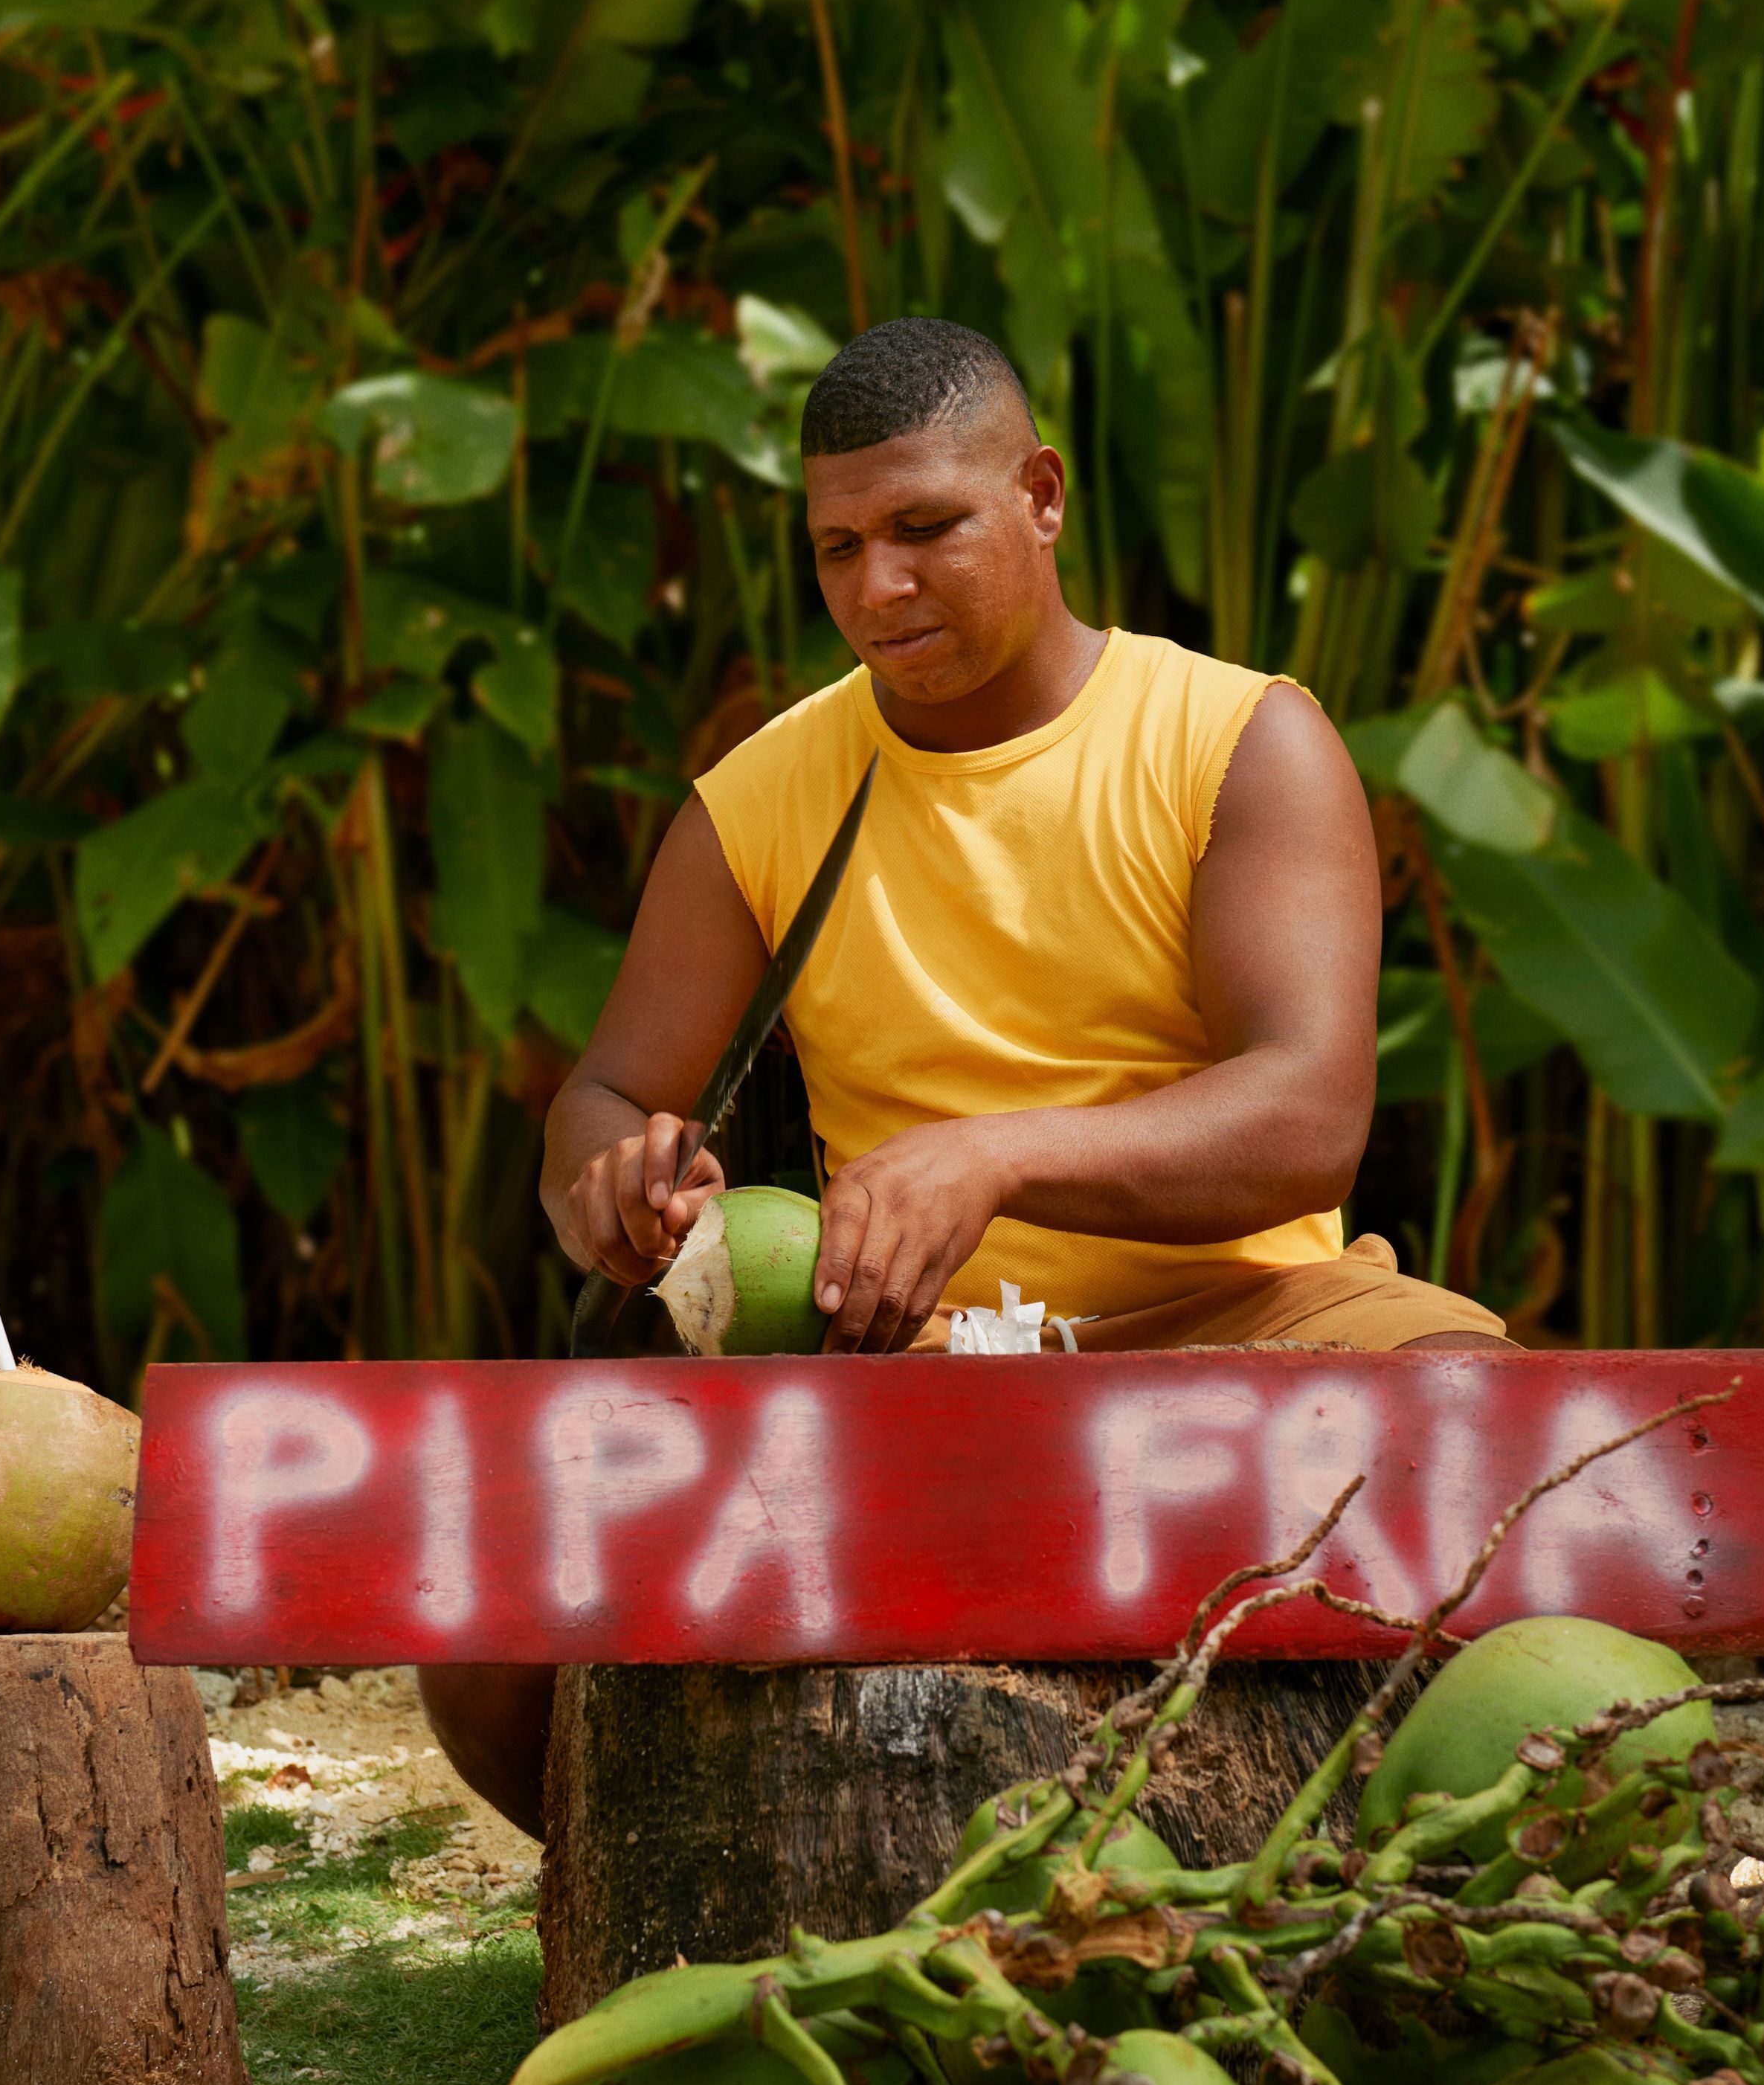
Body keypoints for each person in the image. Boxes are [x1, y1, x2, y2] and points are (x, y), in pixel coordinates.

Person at [541, 316, 1507, 1357]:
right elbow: (605, 1097)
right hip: (923, 1345)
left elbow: (1309, 1120)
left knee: (1485, 1402)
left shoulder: (1243, 742)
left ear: (1041, 497)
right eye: (841, 546)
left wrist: (993, 1160)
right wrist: (618, 1180)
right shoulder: (753, 801)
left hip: (1260, 1315)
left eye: (925, 526)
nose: (878, 588)